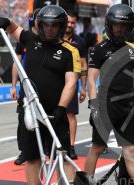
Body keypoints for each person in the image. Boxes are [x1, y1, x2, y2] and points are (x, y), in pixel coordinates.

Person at [0, 5, 80, 185]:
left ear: (61, 26)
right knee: (31, 155)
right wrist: (6, 22)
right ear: (40, 25)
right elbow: (15, 30)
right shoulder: (31, 40)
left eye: (54, 25)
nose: (49, 29)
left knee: (62, 153)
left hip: (56, 111)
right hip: (30, 110)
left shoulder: (69, 51)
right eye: (45, 25)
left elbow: (71, 82)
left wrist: (60, 108)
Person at [85, 4, 134, 185]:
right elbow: (90, 80)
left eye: (124, 26)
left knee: (130, 151)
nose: (120, 30)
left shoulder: (132, 50)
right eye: (117, 26)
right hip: (106, 106)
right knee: (96, 148)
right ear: (109, 26)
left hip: (128, 108)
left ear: (129, 27)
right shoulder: (98, 50)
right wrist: (94, 105)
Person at [11, 9, 40, 165]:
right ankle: (24, 151)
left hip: (44, 86)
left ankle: (47, 148)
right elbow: (16, 63)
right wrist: (14, 86)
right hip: (26, 87)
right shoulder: (23, 39)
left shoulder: (50, 39)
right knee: (23, 119)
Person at [63, 11, 88, 159]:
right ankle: (53, 145)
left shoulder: (80, 41)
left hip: (72, 83)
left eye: (73, 22)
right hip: (56, 82)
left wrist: (83, 87)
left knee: (71, 115)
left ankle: (71, 146)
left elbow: (84, 65)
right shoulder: (55, 39)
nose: (70, 25)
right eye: (68, 22)